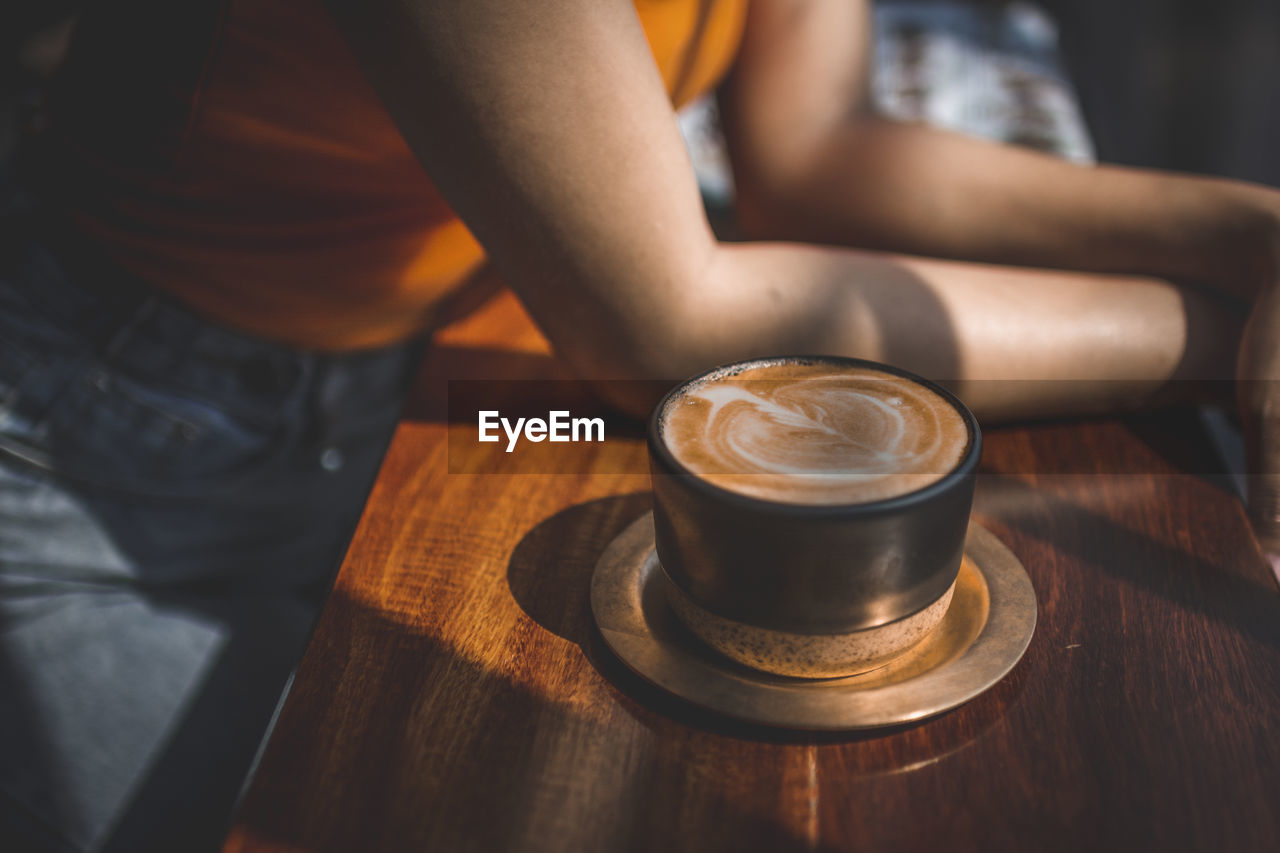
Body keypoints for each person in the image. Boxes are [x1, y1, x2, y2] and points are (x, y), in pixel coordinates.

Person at [1, 0, 1277, 850]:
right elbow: (663, 320)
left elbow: (813, 146)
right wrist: (1223, 340)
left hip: (443, 393)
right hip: (95, 469)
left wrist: (1250, 236)